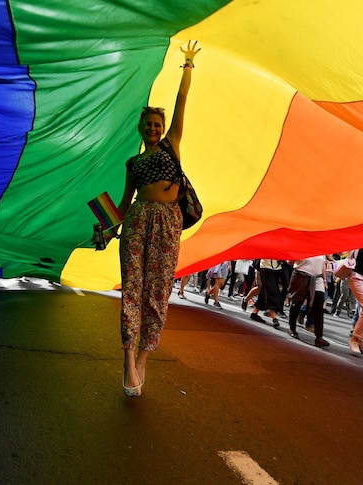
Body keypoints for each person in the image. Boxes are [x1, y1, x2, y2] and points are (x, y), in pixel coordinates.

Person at [116, 40, 200, 397]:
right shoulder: (133, 164)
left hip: (167, 222)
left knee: (157, 293)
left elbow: (182, 104)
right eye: (148, 124)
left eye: (157, 124)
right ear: (141, 127)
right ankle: (126, 358)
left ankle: (145, 358)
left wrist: (187, 66)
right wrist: (107, 228)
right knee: (132, 290)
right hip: (136, 220)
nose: (153, 128)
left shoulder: (171, 145)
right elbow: (122, 204)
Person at [287, 256, 330, 347]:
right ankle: (292, 328)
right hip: (300, 276)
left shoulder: (322, 248)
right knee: (297, 303)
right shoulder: (301, 244)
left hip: (317, 279)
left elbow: (322, 265)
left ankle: (319, 337)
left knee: (318, 307)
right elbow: (289, 262)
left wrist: (325, 280)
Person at [249, 258, 283, 327]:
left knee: (265, 290)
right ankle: (274, 317)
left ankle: (255, 312)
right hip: (266, 267)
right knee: (271, 291)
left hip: (277, 267)